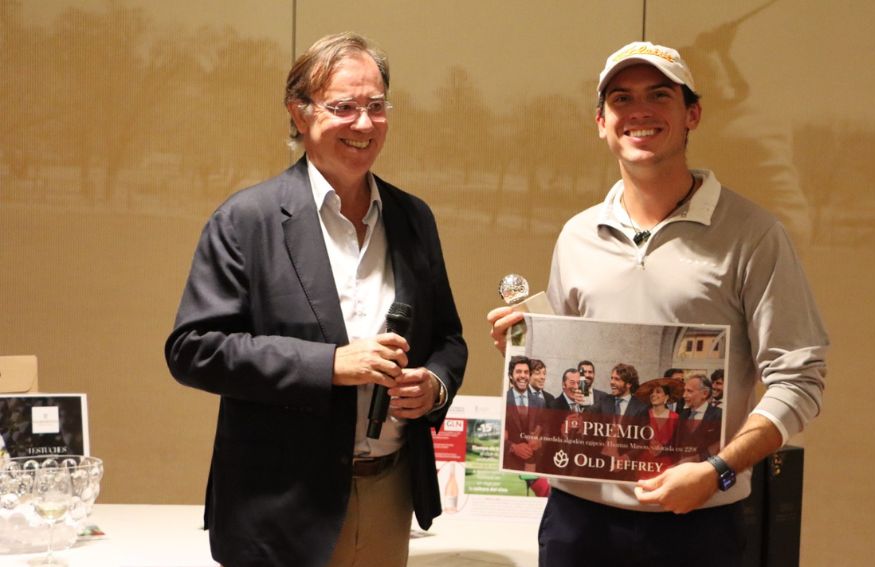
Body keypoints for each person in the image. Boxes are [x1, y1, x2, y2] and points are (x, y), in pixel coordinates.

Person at [487, 40, 827, 566]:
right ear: (601, 122)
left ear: (692, 114)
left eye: (659, 96)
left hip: (697, 521)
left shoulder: (754, 235)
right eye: (621, 99)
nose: (638, 112)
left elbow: (799, 378)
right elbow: (567, 376)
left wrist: (718, 469)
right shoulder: (577, 235)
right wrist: (525, 353)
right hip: (578, 521)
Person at [164, 32, 467, 567]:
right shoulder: (247, 219)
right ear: (299, 115)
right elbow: (194, 349)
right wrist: (330, 364)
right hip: (278, 503)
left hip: (389, 492)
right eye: (343, 107)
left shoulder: (413, 218)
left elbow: (447, 338)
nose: (364, 123)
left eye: (376, 106)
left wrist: (434, 385)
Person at [504, 356, 544, 471]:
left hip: (532, 466)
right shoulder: (504, 400)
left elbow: (546, 431)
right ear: (511, 375)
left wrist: (539, 442)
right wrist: (513, 447)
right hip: (508, 464)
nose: (523, 375)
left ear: (530, 376)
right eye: (518, 372)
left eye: (526, 372)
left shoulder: (540, 402)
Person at [676, 374, 722, 461]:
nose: (684, 395)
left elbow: (719, 445)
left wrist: (696, 459)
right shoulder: (683, 415)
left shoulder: (718, 415)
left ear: (704, 393)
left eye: (689, 391)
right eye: (684, 391)